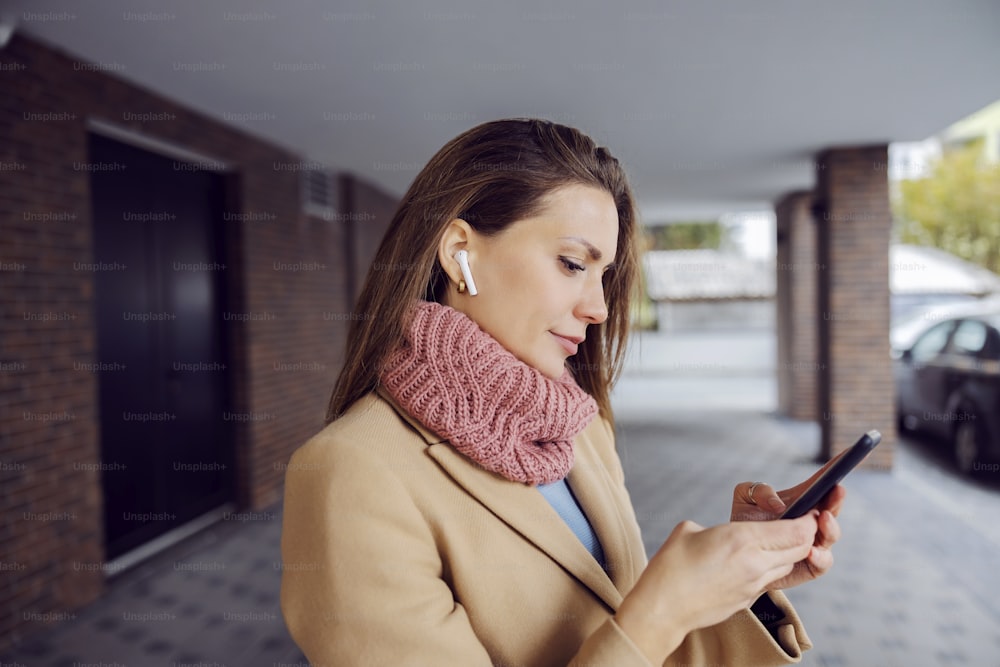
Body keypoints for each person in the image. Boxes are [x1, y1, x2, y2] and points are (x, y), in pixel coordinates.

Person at [279, 118, 845, 666]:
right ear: (459, 253)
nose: (598, 309)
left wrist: (738, 585)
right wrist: (663, 608)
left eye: (604, 277)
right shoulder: (349, 474)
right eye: (573, 263)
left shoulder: (582, 427)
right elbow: (642, 630)